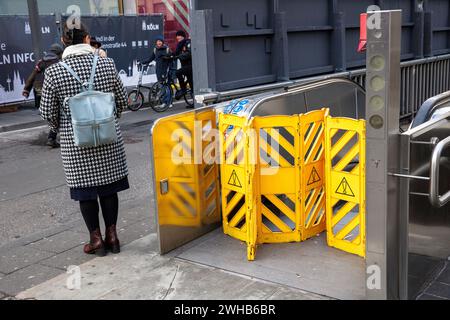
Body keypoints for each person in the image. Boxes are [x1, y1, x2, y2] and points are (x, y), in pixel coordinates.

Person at [40, 23, 129, 257]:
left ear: (64, 42)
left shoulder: (54, 71)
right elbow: (121, 101)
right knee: (109, 189)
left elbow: (47, 112)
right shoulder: (107, 64)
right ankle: (113, 236)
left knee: (86, 192)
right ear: (87, 39)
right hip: (108, 138)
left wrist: (64, 127)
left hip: (75, 143)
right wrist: (108, 118)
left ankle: (96, 240)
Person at [23, 44, 64, 148]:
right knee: (58, 113)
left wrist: (26, 89)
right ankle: (52, 137)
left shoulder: (41, 62)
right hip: (52, 90)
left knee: (50, 113)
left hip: (39, 90)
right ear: (59, 53)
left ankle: (52, 136)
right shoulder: (59, 63)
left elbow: (33, 75)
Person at [141, 35, 173, 107]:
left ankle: (166, 102)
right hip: (158, 70)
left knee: (165, 86)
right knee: (162, 86)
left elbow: (171, 58)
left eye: (160, 41)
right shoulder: (155, 49)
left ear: (162, 42)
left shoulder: (167, 49)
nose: (158, 42)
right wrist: (143, 62)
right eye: (157, 41)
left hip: (165, 70)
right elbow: (151, 58)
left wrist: (167, 59)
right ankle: (169, 102)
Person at [174, 30, 193, 107]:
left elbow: (189, 53)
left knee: (178, 72)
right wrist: (168, 56)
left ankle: (183, 89)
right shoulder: (179, 45)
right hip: (185, 66)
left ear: (183, 37)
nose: (177, 37)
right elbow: (176, 53)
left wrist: (179, 56)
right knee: (191, 84)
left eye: (179, 36)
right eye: (177, 36)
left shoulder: (187, 43)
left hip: (190, 65)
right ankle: (194, 103)